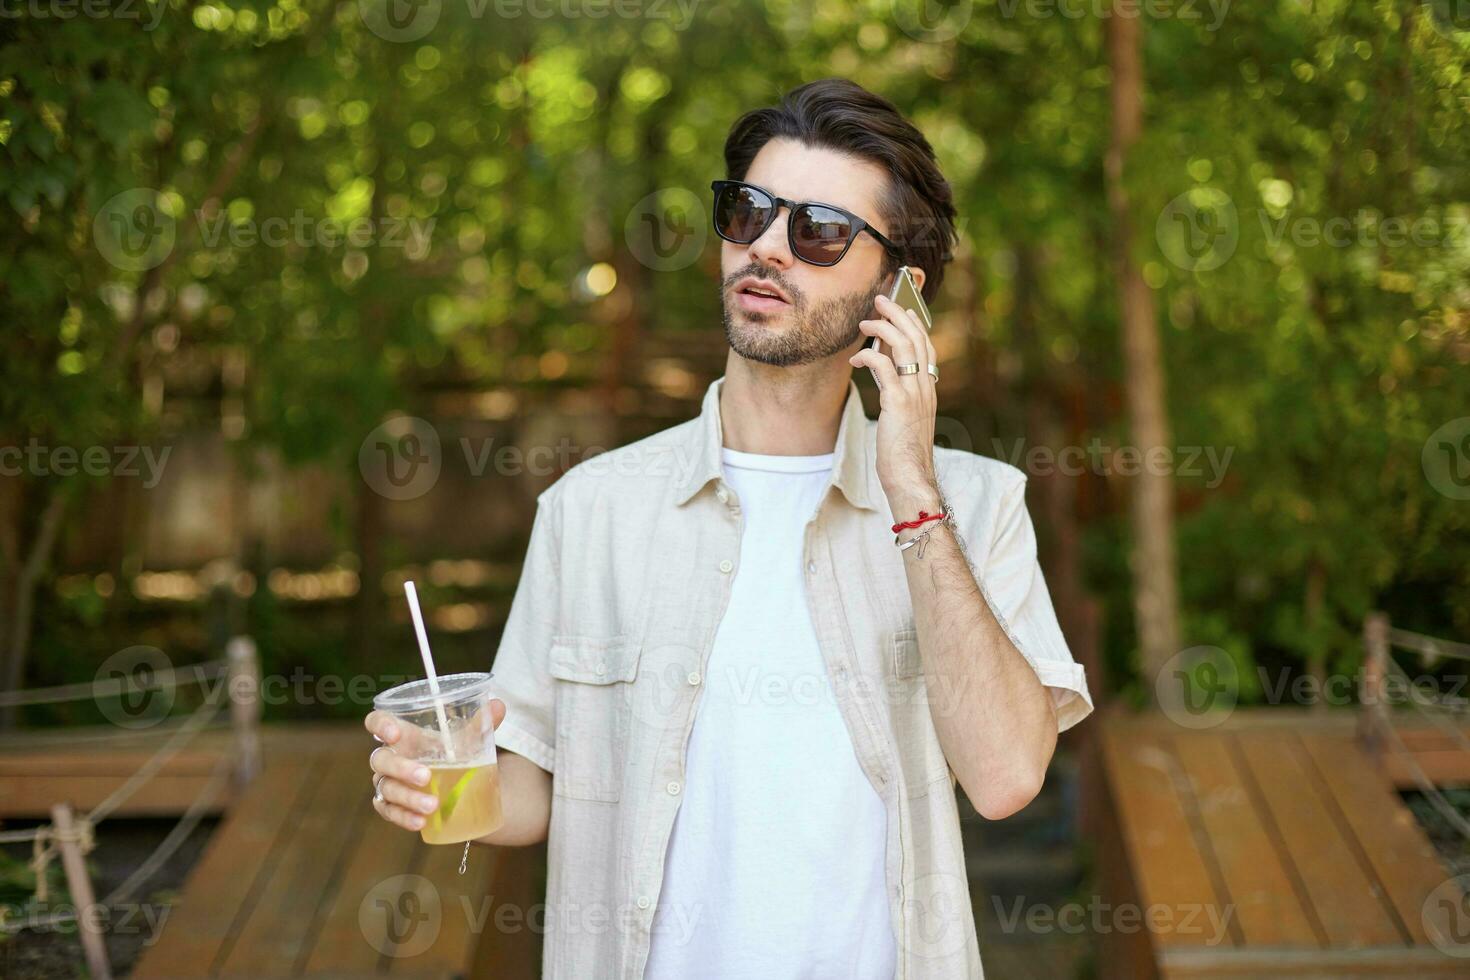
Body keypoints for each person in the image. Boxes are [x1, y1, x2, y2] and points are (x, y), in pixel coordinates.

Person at [364, 76, 1092, 979]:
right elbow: (532, 790)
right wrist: (441, 782)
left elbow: (1007, 777)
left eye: (820, 231)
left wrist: (911, 492)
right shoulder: (593, 510)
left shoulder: (975, 507)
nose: (769, 249)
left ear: (899, 293)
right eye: (749, 213)